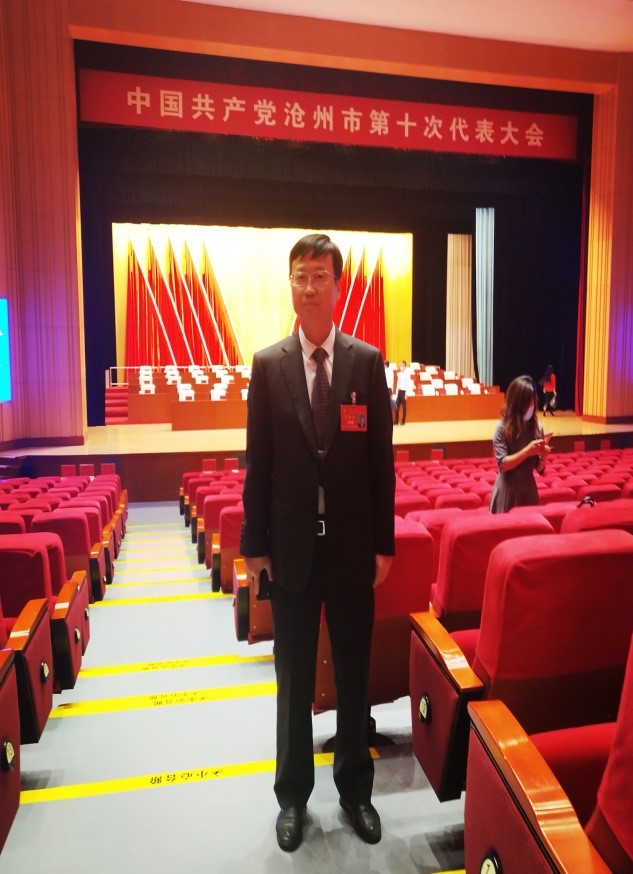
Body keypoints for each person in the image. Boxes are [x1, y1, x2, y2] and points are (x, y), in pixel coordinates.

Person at [240, 233, 396, 853]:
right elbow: (257, 463)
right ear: (292, 284)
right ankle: (292, 798)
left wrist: (384, 543)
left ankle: (356, 790)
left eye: (320, 276)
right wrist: (254, 545)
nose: (309, 287)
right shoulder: (268, 365)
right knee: (294, 680)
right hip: (292, 551)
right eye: (300, 276)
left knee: (354, 675)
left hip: (353, 549)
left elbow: (381, 463)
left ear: (338, 285)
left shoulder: (366, 362)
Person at [489, 374, 551, 513]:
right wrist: (528, 451)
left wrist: (543, 457)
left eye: (532, 402)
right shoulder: (501, 428)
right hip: (507, 492)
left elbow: (539, 469)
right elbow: (503, 465)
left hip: (528, 491)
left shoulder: (537, 428)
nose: (530, 406)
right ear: (516, 403)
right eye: (527, 403)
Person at [393, 360, 409, 425]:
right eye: (400, 365)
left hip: (404, 391)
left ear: (405, 366)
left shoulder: (407, 374)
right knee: (396, 406)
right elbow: (398, 383)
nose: (401, 366)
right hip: (399, 391)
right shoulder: (399, 374)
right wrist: (397, 392)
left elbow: (408, 384)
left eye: (402, 365)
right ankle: (396, 420)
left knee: (404, 407)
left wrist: (406, 394)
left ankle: (403, 420)